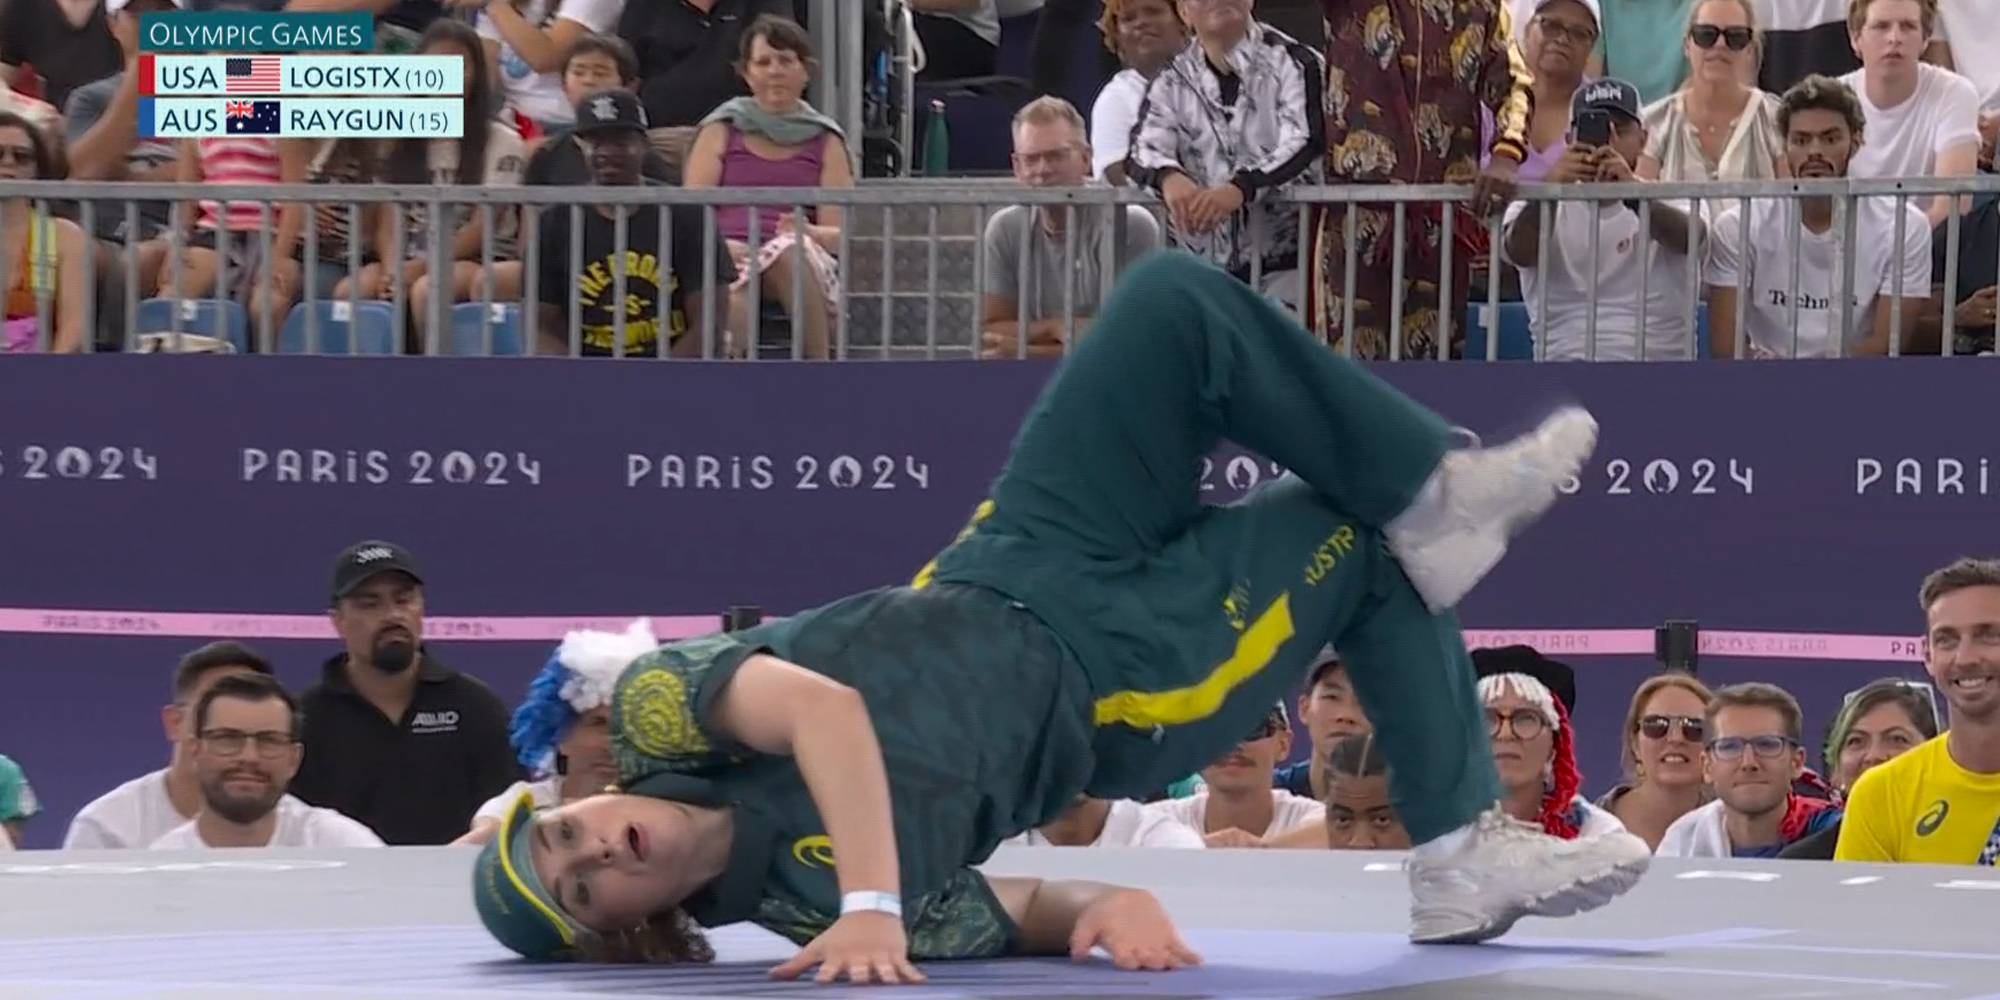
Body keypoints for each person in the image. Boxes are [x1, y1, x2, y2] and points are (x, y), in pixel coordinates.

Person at [472, 249, 1650, 980]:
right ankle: (1454, 852)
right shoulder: (812, 912)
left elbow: (822, 709)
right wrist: (1108, 900)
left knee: (1169, 300)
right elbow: (1031, 908)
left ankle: (1429, 485)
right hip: (1115, 683)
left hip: (1015, 549)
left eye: (562, 830)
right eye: (578, 886)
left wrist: (874, 906)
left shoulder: (661, 710)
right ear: (622, 930)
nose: (591, 848)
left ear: (585, 792)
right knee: (1366, 543)